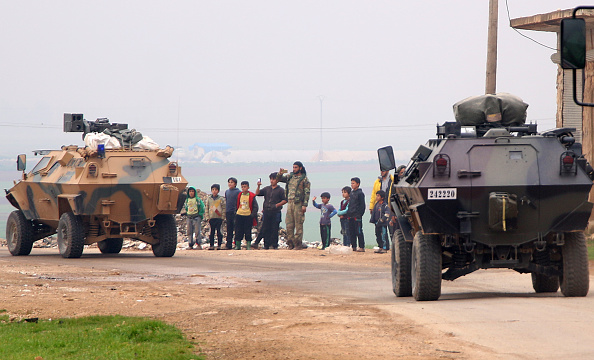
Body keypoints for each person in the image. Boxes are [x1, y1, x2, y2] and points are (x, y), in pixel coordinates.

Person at [277, 161, 311, 250]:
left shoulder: (304, 180)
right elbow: (279, 179)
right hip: (290, 203)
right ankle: (290, 243)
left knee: (298, 224)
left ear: (300, 168)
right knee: (289, 224)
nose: (294, 169)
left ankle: (298, 244)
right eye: (293, 167)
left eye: (296, 167)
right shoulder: (290, 177)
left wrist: (305, 205)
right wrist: (280, 174)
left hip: (298, 204)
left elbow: (307, 193)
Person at [254, 172, 287, 250]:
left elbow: (285, 200)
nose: (272, 181)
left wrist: (277, 205)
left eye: (273, 179)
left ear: (277, 180)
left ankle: (274, 245)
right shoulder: (267, 189)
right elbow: (257, 193)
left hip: (276, 212)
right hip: (267, 211)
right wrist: (258, 186)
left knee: (275, 229)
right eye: (271, 179)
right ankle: (266, 245)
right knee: (266, 228)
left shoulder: (281, 190)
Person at [234, 181, 259, 250]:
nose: (243, 188)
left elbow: (255, 207)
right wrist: (236, 212)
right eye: (242, 187)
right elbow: (237, 204)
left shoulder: (251, 196)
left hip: (248, 216)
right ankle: (238, 245)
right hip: (239, 215)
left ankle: (248, 246)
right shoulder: (239, 195)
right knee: (238, 231)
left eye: (245, 187)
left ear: (248, 187)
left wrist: (252, 215)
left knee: (248, 231)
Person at [347, 177, 366, 252]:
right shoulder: (351, 193)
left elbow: (362, 205)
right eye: (351, 183)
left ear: (358, 184)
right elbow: (350, 204)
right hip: (350, 215)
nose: (352, 185)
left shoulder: (360, 193)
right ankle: (353, 246)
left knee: (359, 231)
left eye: (353, 183)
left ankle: (361, 247)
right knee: (352, 232)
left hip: (357, 216)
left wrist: (359, 214)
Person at [205, 184, 226, 250]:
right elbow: (207, 208)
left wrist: (223, 217)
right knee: (212, 232)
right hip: (211, 218)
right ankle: (211, 245)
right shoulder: (209, 199)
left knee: (219, 232)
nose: (214, 191)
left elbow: (223, 208)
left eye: (216, 190)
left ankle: (219, 245)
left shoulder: (221, 199)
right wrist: (207, 217)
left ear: (218, 191)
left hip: (219, 218)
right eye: (213, 190)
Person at [224, 177, 241, 250]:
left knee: (236, 228)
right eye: (229, 182)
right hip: (228, 212)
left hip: (235, 212)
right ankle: (228, 244)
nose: (230, 184)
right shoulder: (227, 192)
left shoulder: (238, 192)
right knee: (229, 228)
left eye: (232, 182)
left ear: (235, 184)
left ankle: (236, 243)